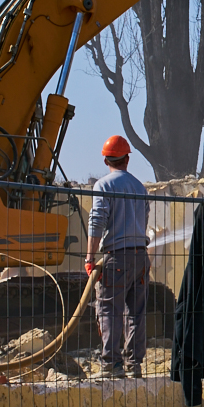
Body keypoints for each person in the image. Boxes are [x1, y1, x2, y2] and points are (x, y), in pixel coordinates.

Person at [85, 135, 151, 379]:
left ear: (106, 160)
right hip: (141, 258)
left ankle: (111, 366)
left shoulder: (103, 185)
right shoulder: (140, 187)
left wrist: (90, 257)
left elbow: (97, 222)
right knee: (136, 313)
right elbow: (144, 219)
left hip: (117, 258)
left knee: (108, 309)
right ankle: (135, 366)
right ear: (127, 159)